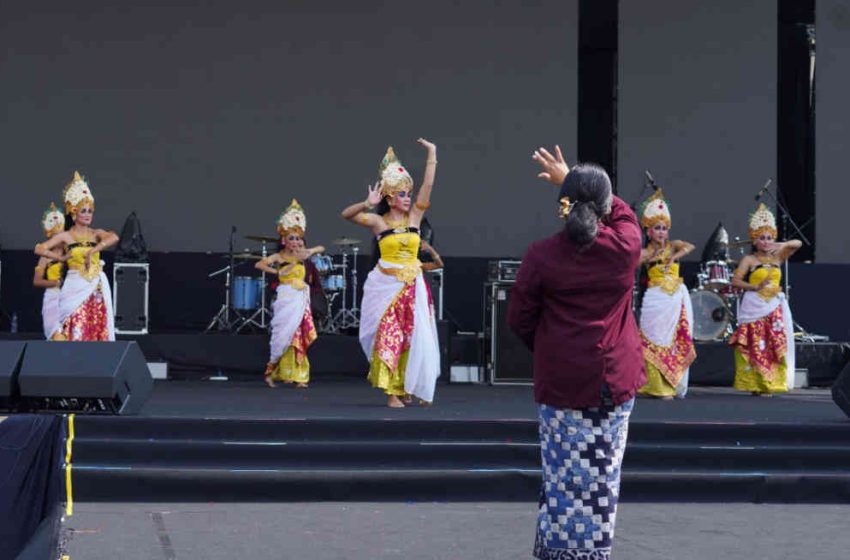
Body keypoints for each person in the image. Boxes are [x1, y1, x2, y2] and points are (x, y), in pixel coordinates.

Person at [509, 145, 644, 560]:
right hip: (612, 381)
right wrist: (573, 180)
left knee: (561, 473)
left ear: (563, 208)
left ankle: (556, 549)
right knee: (602, 477)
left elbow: (519, 318)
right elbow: (624, 215)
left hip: (561, 382)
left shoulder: (542, 255)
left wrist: (552, 347)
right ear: (604, 208)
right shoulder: (625, 247)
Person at [341, 139, 441, 408]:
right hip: (385, 286)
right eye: (402, 194)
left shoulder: (415, 219)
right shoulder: (378, 222)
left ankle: (406, 385)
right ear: (389, 197)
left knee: (413, 336)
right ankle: (391, 392)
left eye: (409, 193)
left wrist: (432, 154)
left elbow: (427, 187)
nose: (408, 198)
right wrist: (366, 202)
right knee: (389, 334)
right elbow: (346, 215)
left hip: (412, 287)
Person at [34, 171, 119, 341]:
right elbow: (39, 248)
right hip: (75, 284)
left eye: (90, 211)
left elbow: (114, 237)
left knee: (96, 324)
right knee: (75, 323)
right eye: (83, 211)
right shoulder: (66, 236)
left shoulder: (96, 233)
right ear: (74, 213)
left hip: (96, 287)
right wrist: (60, 259)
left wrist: (93, 250)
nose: (88, 214)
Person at [729, 203, 801, 396]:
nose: (766, 241)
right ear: (754, 240)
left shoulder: (778, 257)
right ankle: (754, 383)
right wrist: (755, 287)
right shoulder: (749, 260)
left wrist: (780, 245)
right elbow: (735, 281)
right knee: (755, 343)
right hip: (754, 306)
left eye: (769, 238)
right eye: (762, 238)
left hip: (774, 308)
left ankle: (771, 382)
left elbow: (797, 244)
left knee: (773, 343)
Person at [256, 200, 324, 388]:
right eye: (292, 238)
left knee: (299, 335)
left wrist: (309, 251)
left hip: (301, 299)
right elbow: (259, 264)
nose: (296, 242)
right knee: (283, 337)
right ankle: (274, 371)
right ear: (284, 240)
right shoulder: (279, 257)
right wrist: (277, 272)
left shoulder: (303, 253)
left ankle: (300, 376)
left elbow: (321, 248)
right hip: (286, 299)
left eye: (298, 238)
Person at [636, 189, 696, 399]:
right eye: (657, 228)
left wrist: (673, 257)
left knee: (672, 340)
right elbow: (631, 263)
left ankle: (669, 385)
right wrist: (651, 257)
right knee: (651, 339)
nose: (661, 232)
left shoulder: (673, 246)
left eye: (664, 228)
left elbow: (690, 247)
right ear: (648, 231)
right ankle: (653, 386)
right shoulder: (645, 252)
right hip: (655, 300)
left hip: (674, 300)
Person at [33, 203, 66, 340]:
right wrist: (54, 283)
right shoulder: (45, 257)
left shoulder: (71, 252)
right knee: (56, 336)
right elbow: (37, 281)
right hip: (53, 297)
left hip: (70, 296)